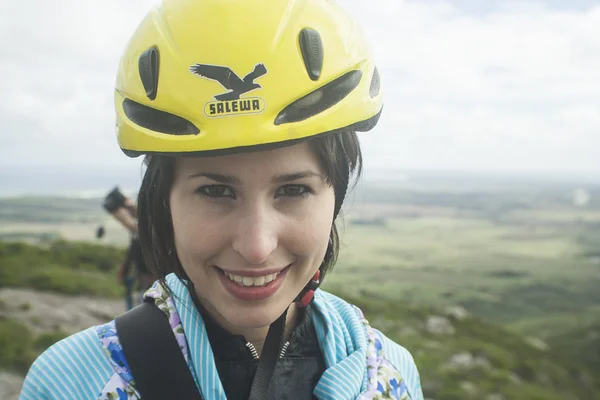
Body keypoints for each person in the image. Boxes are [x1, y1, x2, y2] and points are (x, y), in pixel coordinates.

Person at [19, 0, 424, 399]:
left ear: (335, 195)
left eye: (294, 190)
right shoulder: (71, 384)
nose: (256, 247)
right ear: (165, 203)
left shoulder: (392, 372)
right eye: (215, 191)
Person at [102, 186, 157, 309]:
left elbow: (138, 228)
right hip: (144, 280)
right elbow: (133, 249)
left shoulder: (151, 228)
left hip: (154, 282)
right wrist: (125, 269)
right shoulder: (138, 229)